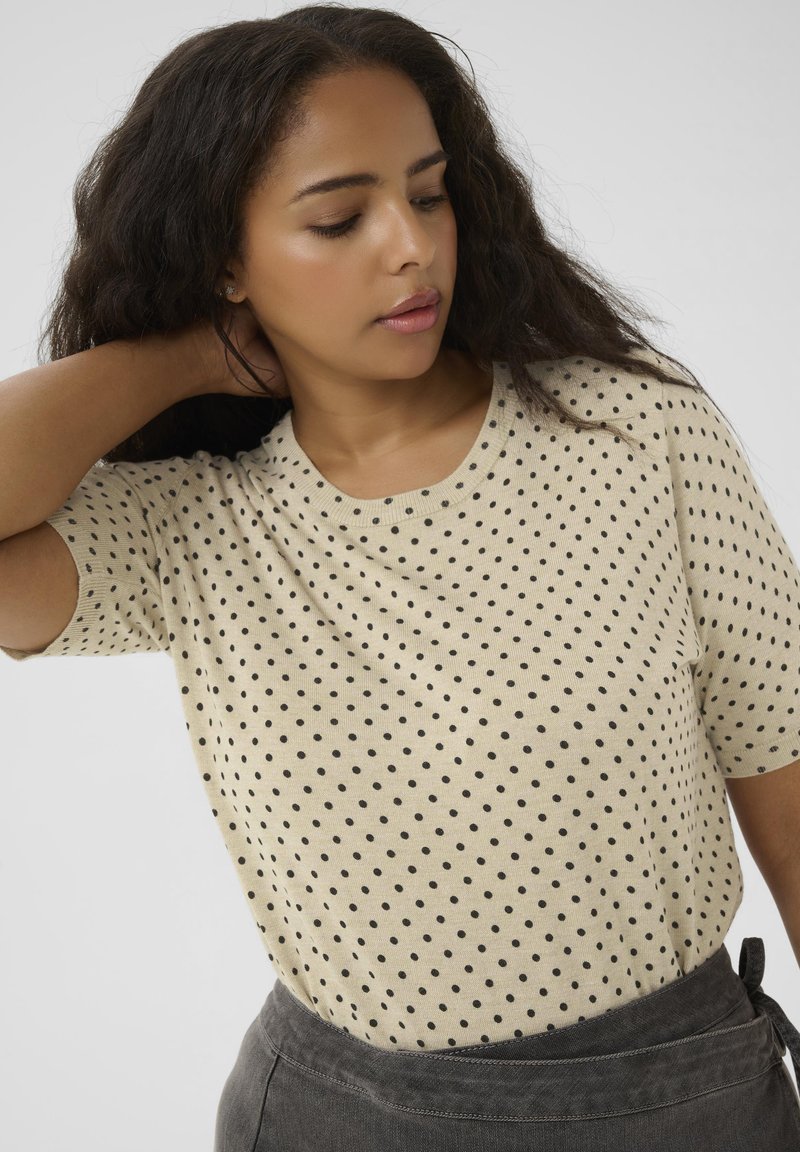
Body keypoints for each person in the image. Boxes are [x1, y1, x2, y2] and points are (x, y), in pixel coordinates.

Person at [1, 6, 799, 1150]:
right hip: (342, 1118)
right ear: (225, 260)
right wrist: (182, 356)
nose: (410, 245)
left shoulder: (631, 430)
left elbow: (782, 761)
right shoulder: (193, 525)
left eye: (427, 196)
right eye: (339, 218)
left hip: (681, 1102)